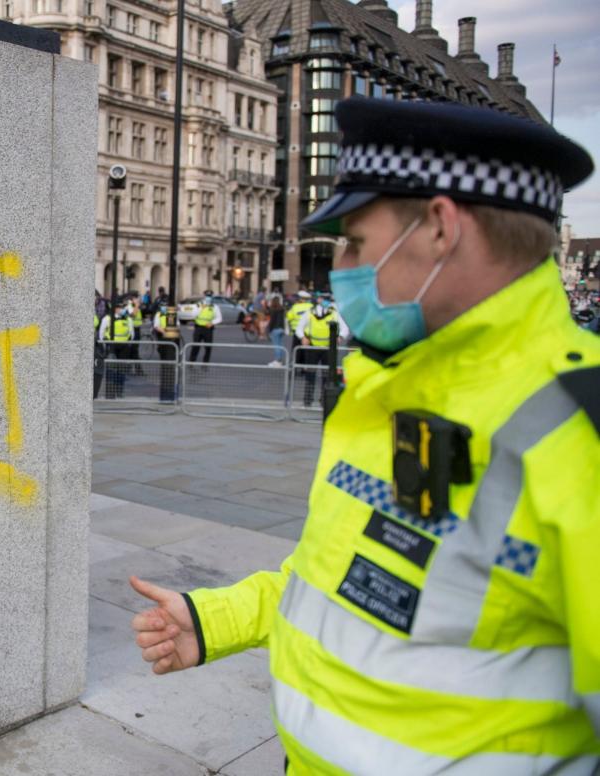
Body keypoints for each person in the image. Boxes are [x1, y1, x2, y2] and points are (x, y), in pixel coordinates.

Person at [129, 97, 600, 773]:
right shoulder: (384, 390)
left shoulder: (579, 429)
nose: (342, 263)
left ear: (439, 227)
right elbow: (339, 578)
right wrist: (212, 621)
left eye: (355, 240)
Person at [295, 294, 349, 407]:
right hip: (313, 347)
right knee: (310, 375)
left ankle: (324, 400)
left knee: (327, 376)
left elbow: (345, 329)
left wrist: (340, 337)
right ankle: (308, 400)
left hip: (329, 349)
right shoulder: (309, 312)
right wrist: (302, 337)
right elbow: (299, 328)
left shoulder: (334, 313)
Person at [151, 302, 177, 403]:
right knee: (164, 363)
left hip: (171, 341)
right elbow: (157, 326)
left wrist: (171, 332)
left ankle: (169, 393)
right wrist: (164, 332)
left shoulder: (172, 314)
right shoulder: (158, 314)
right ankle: (166, 392)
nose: (163, 308)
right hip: (162, 338)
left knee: (170, 365)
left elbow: (176, 325)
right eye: (162, 306)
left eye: (165, 306)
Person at [187, 290, 221, 364]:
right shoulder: (199, 305)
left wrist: (212, 323)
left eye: (210, 296)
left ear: (212, 297)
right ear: (204, 297)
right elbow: (193, 315)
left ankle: (205, 363)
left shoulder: (215, 307)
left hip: (208, 329)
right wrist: (201, 308)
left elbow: (219, 318)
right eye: (207, 296)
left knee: (208, 347)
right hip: (198, 328)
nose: (208, 298)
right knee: (195, 346)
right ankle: (191, 362)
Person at [267, 294, 286, 366]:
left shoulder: (273, 309)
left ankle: (278, 361)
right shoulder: (282, 309)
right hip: (281, 328)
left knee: (276, 346)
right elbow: (283, 320)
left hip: (275, 329)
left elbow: (272, 321)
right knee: (280, 345)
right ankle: (280, 361)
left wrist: (269, 330)